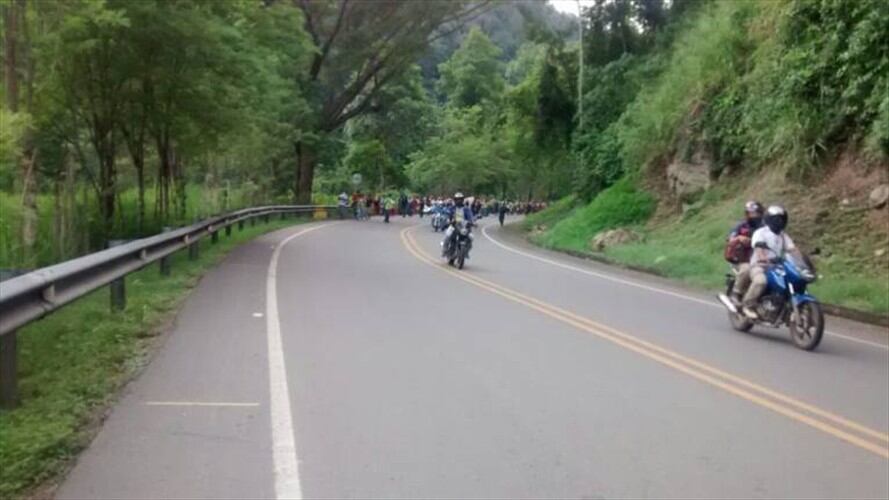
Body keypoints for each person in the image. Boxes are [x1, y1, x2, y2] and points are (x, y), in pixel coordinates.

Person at [733, 205, 803, 319]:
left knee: (790, 281)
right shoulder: (761, 232)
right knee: (761, 281)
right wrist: (763, 257)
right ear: (769, 219)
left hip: (777, 267)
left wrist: (800, 260)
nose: (779, 222)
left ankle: (780, 305)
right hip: (759, 265)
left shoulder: (783, 236)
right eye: (776, 219)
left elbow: (792, 249)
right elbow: (758, 247)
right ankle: (747, 305)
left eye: (781, 219)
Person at [725, 201, 764, 295]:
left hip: (761, 260)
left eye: (757, 213)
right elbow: (730, 239)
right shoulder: (741, 226)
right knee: (746, 269)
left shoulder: (765, 228)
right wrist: (739, 238)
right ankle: (736, 293)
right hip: (742, 259)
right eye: (752, 213)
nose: (755, 216)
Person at [442, 192, 475, 256]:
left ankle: (466, 251)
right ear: (455, 200)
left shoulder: (466, 209)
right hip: (454, 225)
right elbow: (448, 215)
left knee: (471, 238)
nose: (459, 200)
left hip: (464, 227)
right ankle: (444, 250)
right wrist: (448, 221)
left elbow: (470, 216)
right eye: (457, 199)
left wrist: (472, 222)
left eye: (460, 199)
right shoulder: (452, 208)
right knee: (447, 236)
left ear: (463, 200)